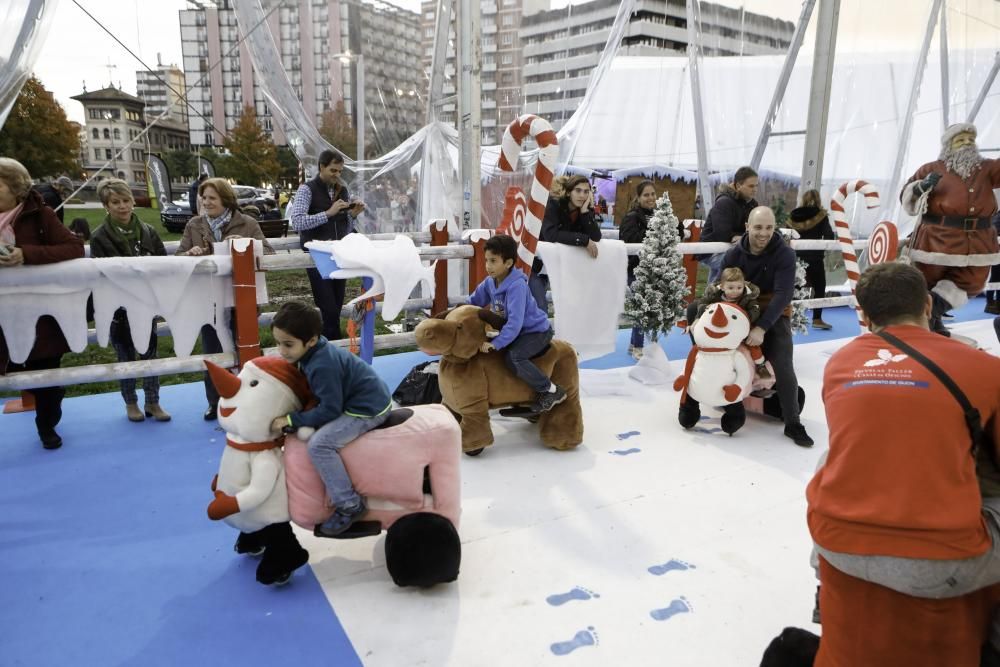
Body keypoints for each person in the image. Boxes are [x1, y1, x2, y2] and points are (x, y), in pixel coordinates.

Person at [806, 262, 1000, 640]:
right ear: (928, 306)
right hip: (939, 564)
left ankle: (820, 589)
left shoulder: (840, 364)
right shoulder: (983, 367)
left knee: (834, 457)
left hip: (835, 548)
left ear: (862, 313)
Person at [268, 300, 392, 537]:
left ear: (311, 340)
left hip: (367, 408)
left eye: (288, 344)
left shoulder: (321, 365)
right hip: (356, 398)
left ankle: (349, 504)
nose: (281, 351)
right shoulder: (312, 352)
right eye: (278, 343)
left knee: (320, 445)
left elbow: (330, 410)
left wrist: (292, 420)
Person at [0, 158, 85, 449]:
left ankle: (46, 425)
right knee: (18, 372)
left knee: (44, 372)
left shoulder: (41, 215)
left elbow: (74, 247)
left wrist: (26, 254)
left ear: (16, 188)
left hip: (39, 315)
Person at [713, 206, 813, 447]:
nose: (764, 233)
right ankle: (718, 397)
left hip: (773, 313)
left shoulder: (784, 254)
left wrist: (762, 328)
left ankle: (793, 423)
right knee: (720, 351)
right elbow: (717, 286)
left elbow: (783, 294)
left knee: (782, 357)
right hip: (741, 311)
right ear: (747, 227)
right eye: (758, 227)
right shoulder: (734, 255)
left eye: (769, 227)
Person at [177, 177, 275, 420]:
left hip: (242, 300)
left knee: (247, 352)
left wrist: (246, 244)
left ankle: (249, 401)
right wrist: (191, 253)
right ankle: (215, 403)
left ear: (226, 200)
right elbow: (179, 256)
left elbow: (269, 255)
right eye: (204, 197)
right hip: (208, 301)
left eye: (212, 198)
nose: (206, 202)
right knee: (212, 352)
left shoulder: (248, 223)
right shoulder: (194, 225)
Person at [900, 122, 1000, 336]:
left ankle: (931, 313)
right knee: (927, 281)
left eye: (970, 140)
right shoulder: (931, 168)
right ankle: (930, 323)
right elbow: (906, 195)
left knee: (972, 281)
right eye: (960, 140)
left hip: (979, 243)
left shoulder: (988, 168)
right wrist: (921, 187)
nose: (967, 144)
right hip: (936, 241)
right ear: (948, 145)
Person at [89, 178, 171, 423]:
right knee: (125, 357)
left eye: (126, 201)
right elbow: (101, 274)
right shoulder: (99, 236)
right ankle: (131, 403)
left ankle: (153, 401)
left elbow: (162, 264)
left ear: (133, 201)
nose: (122, 206)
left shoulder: (149, 231)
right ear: (107, 205)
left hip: (146, 304)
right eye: (116, 202)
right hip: (118, 309)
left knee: (150, 355)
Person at [470, 234, 565, 412]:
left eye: (493, 261)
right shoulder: (490, 282)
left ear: (508, 263)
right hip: (517, 331)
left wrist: (496, 343)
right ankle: (517, 396)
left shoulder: (517, 286)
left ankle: (550, 390)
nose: (488, 266)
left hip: (535, 332)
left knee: (514, 356)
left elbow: (515, 323)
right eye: (486, 260)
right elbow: (473, 302)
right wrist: (456, 312)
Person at [287, 150, 365, 340]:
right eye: (333, 170)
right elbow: (296, 222)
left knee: (336, 307)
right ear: (321, 167)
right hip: (316, 255)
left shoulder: (342, 190)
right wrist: (328, 213)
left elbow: (344, 228)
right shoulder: (307, 189)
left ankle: (328, 347)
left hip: (338, 253)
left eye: (339, 171)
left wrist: (352, 215)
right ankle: (333, 347)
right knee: (328, 306)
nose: (337, 175)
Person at [529, 175, 602, 312]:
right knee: (540, 309)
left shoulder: (583, 210)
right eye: (578, 191)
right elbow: (551, 234)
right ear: (569, 192)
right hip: (534, 266)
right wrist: (583, 240)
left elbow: (596, 236)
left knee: (566, 307)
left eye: (586, 192)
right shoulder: (552, 205)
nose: (582, 195)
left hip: (554, 267)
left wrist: (585, 212)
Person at [691, 267, 771, 380]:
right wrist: (706, 308)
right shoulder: (715, 296)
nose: (735, 291)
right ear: (722, 287)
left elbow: (755, 310)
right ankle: (702, 362)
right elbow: (702, 303)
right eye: (731, 288)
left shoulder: (747, 298)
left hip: (739, 328)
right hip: (721, 328)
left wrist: (745, 317)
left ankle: (760, 365)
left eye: (739, 287)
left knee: (752, 345)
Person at [699, 166, 759, 284]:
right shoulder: (724, 203)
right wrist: (745, 236)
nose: (755, 189)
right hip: (711, 252)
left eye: (757, 185)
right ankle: (715, 297)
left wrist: (743, 237)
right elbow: (722, 234)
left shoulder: (752, 204)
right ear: (738, 185)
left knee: (720, 275)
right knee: (743, 260)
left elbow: (756, 228)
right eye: (751, 186)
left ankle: (711, 298)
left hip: (731, 249)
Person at [619, 180, 657, 360]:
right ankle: (638, 347)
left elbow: (676, 232)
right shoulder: (632, 217)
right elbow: (628, 241)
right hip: (635, 269)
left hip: (653, 269)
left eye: (652, 194)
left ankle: (634, 344)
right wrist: (653, 233)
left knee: (646, 308)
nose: (650, 198)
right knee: (642, 307)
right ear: (639, 197)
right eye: (646, 195)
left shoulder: (660, 215)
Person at [788, 189, 836, 330]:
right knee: (819, 287)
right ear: (818, 200)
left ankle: (793, 318)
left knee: (796, 288)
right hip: (815, 257)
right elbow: (829, 236)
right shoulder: (821, 216)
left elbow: (787, 235)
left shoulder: (793, 216)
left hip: (796, 257)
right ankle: (817, 319)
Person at [986, 210, 1000, 315]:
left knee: (996, 277)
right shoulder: (997, 217)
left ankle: (993, 303)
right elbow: (994, 232)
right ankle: (991, 303)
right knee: (996, 277)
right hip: (997, 251)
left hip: (996, 251)